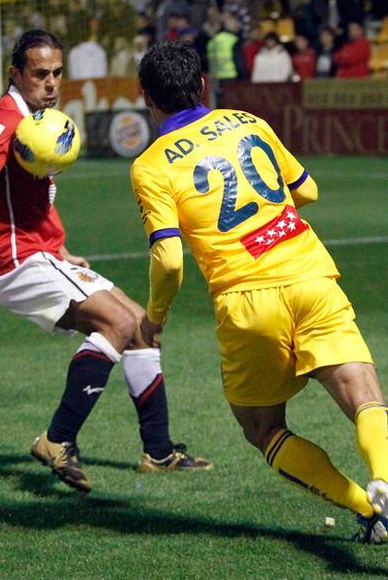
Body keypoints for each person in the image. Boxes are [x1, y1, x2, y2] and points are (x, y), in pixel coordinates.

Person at [131, 40, 388, 544]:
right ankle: (384, 475)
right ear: (202, 85)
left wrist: (154, 317)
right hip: (311, 274)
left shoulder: (151, 165)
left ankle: (368, 510)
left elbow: (169, 259)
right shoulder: (248, 121)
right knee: (366, 398)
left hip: (247, 299)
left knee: (263, 429)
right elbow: (306, 190)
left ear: (148, 99)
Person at [0, 30, 213, 494]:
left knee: (143, 326)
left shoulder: (38, 117)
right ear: (16, 74)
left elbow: (29, 195)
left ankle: (158, 452)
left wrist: (58, 245)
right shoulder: (7, 117)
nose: (51, 82)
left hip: (41, 254)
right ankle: (57, 439)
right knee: (117, 327)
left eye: (57, 73)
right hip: (18, 262)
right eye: (40, 73)